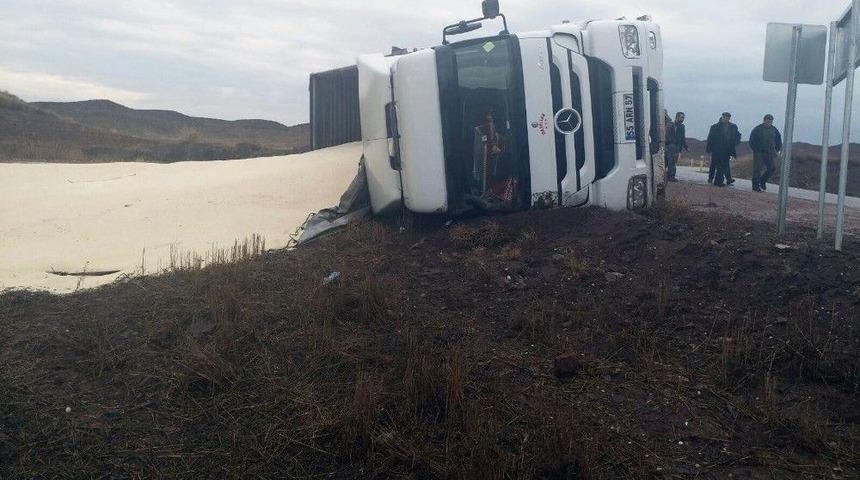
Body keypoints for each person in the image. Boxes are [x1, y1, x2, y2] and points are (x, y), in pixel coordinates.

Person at [748, 114, 783, 192]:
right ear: (764, 120)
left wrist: (776, 150)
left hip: (770, 152)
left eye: (771, 121)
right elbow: (752, 141)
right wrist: (756, 150)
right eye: (768, 120)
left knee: (772, 168)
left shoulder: (774, 130)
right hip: (759, 153)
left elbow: (778, 140)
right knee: (757, 169)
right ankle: (755, 186)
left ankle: (762, 180)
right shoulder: (758, 129)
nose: (769, 122)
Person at [706, 112, 742, 187]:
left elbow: (738, 135)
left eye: (728, 117)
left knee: (723, 165)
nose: (726, 119)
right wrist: (709, 148)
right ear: (722, 117)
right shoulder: (715, 126)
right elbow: (710, 138)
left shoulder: (733, 127)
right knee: (714, 164)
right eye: (725, 117)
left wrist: (736, 142)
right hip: (717, 149)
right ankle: (713, 178)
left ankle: (720, 180)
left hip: (727, 149)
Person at [665, 112, 688, 182]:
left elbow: (683, 137)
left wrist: (685, 147)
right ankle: (670, 176)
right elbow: (666, 134)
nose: (683, 119)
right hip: (670, 146)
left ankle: (671, 176)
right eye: (682, 117)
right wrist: (669, 142)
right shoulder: (670, 125)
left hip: (677, 147)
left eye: (683, 118)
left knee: (673, 162)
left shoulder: (682, 126)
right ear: (677, 117)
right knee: (669, 161)